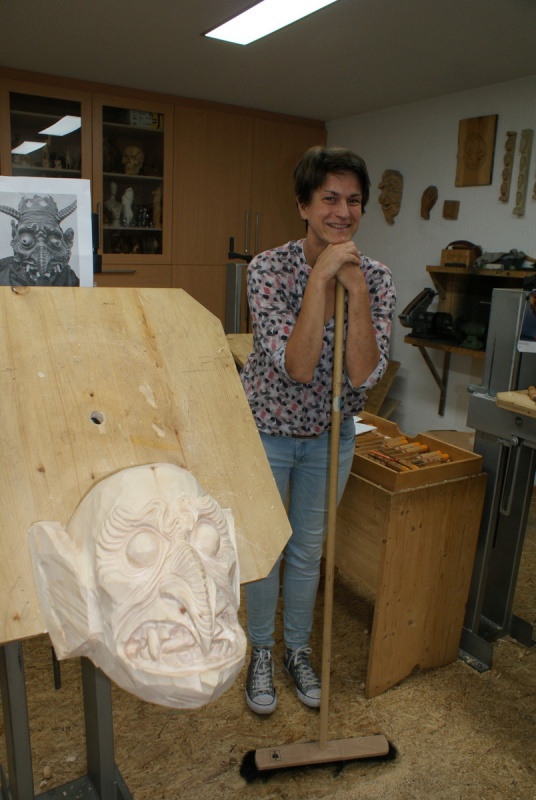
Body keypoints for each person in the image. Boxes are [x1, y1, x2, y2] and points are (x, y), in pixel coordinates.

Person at [240, 146, 396, 714]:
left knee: (307, 551)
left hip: (331, 437)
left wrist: (356, 290)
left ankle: (297, 650)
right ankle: (261, 650)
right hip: (267, 432)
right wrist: (321, 279)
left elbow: (361, 374)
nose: (342, 212)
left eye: (353, 200)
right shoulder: (267, 270)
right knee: (267, 548)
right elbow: (299, 366)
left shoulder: (375, 278)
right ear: (303, 205)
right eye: (329, 198)